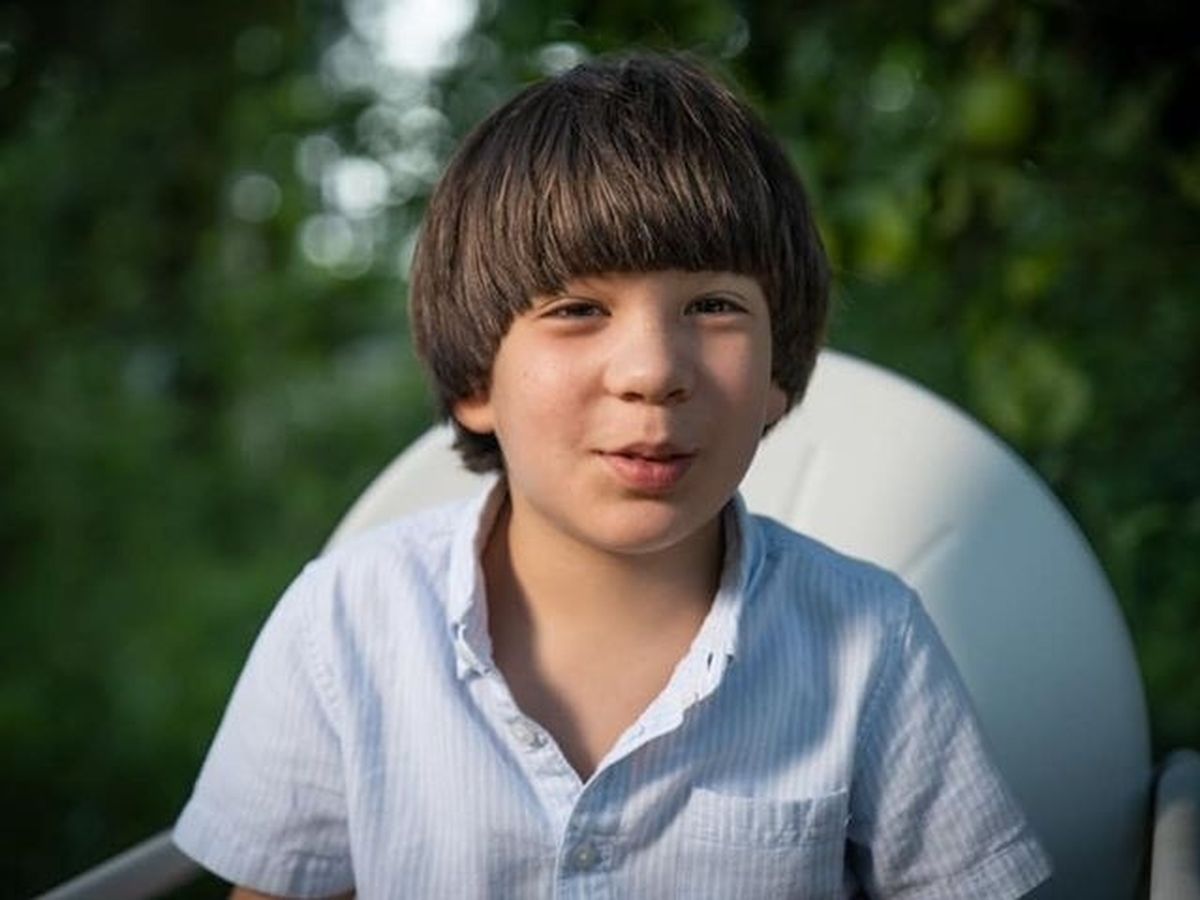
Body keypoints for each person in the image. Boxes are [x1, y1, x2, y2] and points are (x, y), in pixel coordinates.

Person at [174, 53, 1052, 899]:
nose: (652, 370)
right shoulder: (343, 625)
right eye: (578, 309)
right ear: (476, 380)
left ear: (777, 375)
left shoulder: (872, 642)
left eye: (713, 306)